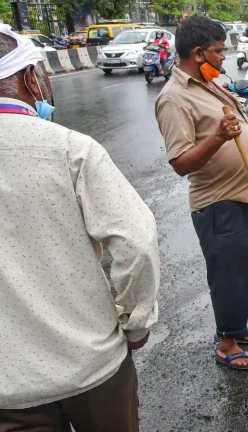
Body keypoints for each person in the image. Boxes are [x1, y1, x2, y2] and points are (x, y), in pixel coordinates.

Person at [0, 24, 160, 430]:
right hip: (92, 368)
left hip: (9, 389)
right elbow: (136, 242)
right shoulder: (68, 148)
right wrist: (137, 322)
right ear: (31, 77)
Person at [155, 16, 248, 369]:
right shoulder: (174, 98)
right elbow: (180, 162)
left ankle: (236, 328)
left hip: (242, 194)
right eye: (217, 50)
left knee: (246, 269)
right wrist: (219, 138)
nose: (223, 57)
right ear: (198, 53)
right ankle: (226, 344)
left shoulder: (208, 82)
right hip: (217, 202)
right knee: (228, 274)